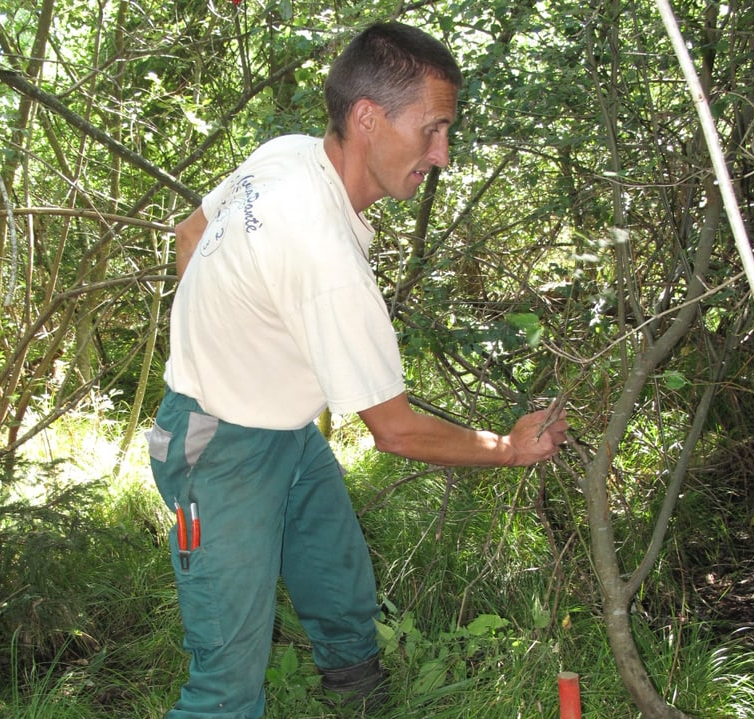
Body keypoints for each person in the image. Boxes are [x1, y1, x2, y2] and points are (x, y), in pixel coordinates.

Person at [147, 21, 568, 719]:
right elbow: (395, 432)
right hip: (214, 449)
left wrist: (226, 336)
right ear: (368, 118)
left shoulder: (288, 156)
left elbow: (191, 232)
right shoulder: (325, 258)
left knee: (338, 580)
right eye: (432, 130)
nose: (443, 155)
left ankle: (360, 700)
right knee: (226, 679)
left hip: (283, 432)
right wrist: (512, 448)